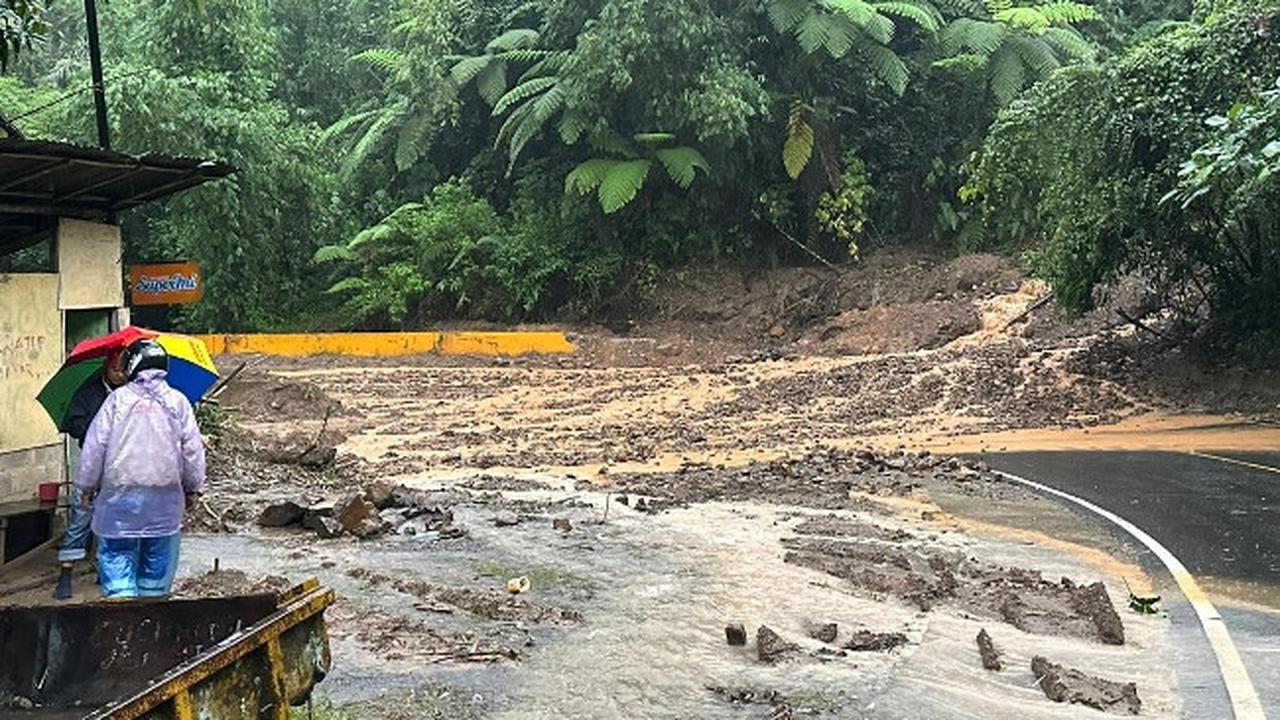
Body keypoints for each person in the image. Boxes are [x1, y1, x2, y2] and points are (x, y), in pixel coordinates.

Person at [77, 340, 206, 599]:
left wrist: (86, 487)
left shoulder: (117, 401)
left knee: (116, 556)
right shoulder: (178, 402)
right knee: (157, 566)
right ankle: (151, 618)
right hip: (165, 501)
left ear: (132, 365)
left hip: (119, 500)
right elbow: (193, 452)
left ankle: (122, 617)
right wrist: (193, 489)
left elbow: (94, 449)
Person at [53, 349, 127, 600]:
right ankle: (65, 575)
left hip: (119, 469)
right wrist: (95, 431)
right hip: (92, 465)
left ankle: (104, 572)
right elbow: (71, 423)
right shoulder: (88, 393)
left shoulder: (129, 396)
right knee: (80, 520)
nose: (120, 374)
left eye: (123, 369)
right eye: (116, 369)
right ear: (106, 368)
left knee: (113, 522)